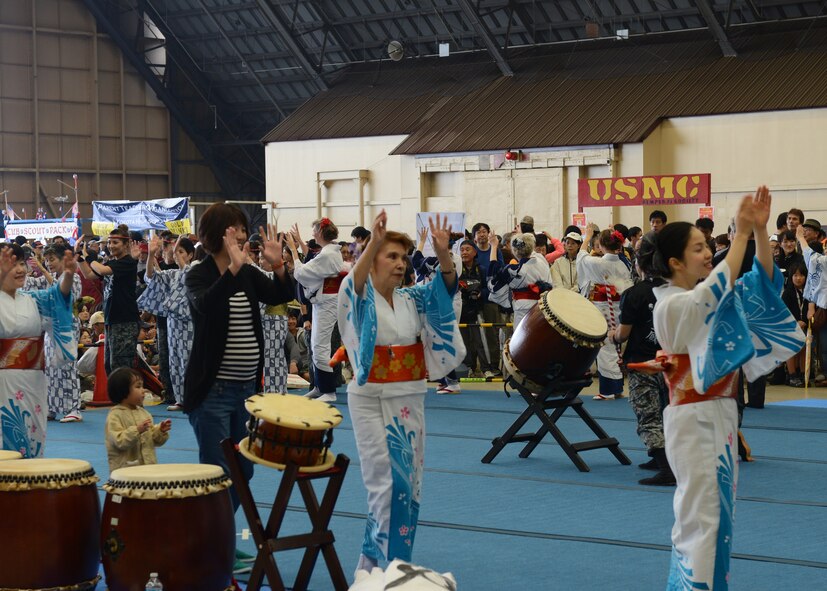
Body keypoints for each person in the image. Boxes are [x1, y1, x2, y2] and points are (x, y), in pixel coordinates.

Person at [634, 187, 803, 590]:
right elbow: (712, 294)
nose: (708, 252)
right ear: (674, 262)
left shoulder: (706, 296)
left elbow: (762, 282)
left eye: (707, 245)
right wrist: (740, 235)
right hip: (695, 417)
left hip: (719, 413)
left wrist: (760, 232)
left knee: (715, 517)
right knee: (702, 516)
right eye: (697, 248)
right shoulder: (670, 304)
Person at [338, 211, 465, 573]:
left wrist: (442, 253)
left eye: (403, 257)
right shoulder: (359, 296)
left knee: (406, 486)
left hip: (409, 398)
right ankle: (396, 565)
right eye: (390, 256)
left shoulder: (413, 298)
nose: (399, 263)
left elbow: (446, 289)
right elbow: (354, 282)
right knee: (384, 483)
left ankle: (367, 565)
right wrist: (373, 241)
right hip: (369, 400)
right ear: (373, 258)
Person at [184, 204, 294, 516]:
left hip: (247, 391)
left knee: (244, 470)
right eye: (235, 229)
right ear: (214, 235)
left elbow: (278, 295)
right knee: (217, 472)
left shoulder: (247, 273)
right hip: (212, 392)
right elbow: (205, 306)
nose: (242, 235)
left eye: (243, 230)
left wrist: (279, 266)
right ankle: (215, 547)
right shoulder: (198, 275)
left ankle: (220, 542)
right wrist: (231, 269)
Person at [0, 243, 78, 457]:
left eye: (21, 263)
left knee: (34, 436)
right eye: (10, 264)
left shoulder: (32, 299)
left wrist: (68, 275)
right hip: (4, 383)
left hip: (34, 381)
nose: (20, 269)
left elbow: (58, 297)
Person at [614, 233, 673, 486]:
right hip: (671, 362)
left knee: (648, 415)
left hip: (642, 364)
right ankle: (660, 456)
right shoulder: (675, 291)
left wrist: (611, 336)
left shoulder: (634, 294)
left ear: (639, 264)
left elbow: (623, 333)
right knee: (667, 412)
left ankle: (666, 467)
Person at [25, 244, 84, 423]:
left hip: (67, 326)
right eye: (47, 260)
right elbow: (32, 285)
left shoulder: (72, 277)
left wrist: (42, 269)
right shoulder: (49, 278)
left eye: (52, 260)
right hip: (50, 326)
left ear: (62, 260)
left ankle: (74, 407)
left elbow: (64, 293)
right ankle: (52, 407)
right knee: (50, 367)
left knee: (67, 366)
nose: (49, 263)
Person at [289, 218, 345, 402]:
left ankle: (329, 391)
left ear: (320, 232)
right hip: (325, 302)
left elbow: (302, 272)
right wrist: (299, 244)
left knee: (320, 347)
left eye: (314, 231)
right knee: (316, 345)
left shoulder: (328, 255)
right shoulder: (329, 252)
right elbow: (313, 261)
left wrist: (293, 253)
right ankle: (320, 387)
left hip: (327, 303)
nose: (312, 234)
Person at [138, 236, 196, 411]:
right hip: (171, 324)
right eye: (176, 251)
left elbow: (189, 277)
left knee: (188, 361)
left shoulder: (196, 270)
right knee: (174, 361)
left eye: (181, 252)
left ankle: (192, 398)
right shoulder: (171, 274)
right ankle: (179, 398)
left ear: (191, 255)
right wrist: (150, 255)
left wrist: (181, 261)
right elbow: (150, 277)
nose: (176, 255)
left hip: (189, 324)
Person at [579, 227, 633, 400]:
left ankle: (608, 389)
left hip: (603, 306)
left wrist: (587, 238)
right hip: (619, 306)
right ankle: (616, 387)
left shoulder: (598, 263)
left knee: (605, 346)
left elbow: (581, 256)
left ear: (601, 245)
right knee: (614, 344)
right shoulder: (624, 262)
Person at [78, 225, 139, 374]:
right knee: (110, 366)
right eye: (110, 242)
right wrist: (79, 256)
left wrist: (89, 256)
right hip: (111, 320)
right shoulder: (113, 263)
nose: (111, 246)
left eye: (115, 242)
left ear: (126, 245)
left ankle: (125, 397)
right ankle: (117, 397)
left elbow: (102, 270)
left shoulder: (128, 262)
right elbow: (89, 274)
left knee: (121, 367)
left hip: (125, 321)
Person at [104, 367, 171, 472]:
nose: (143, 390)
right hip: (125, 473)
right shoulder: (115, 416)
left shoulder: (144, 413)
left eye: (142, 386)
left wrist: (160, 431)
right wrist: (137, 430)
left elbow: (153, 441)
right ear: (123, 391)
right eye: (138, 387)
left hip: (148, 469)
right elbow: (119, 441)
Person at [487, 232, 552, 329]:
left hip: (523, 307)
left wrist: (493, 246)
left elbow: (494, 277)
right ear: (532, 247)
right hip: (543, 306)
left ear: (513, 251)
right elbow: (530, 251)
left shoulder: (514, 271)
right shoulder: (541, 259)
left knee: (522, 338)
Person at [781, 261, 808, 387]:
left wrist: (805, 322)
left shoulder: (809, 292)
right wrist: (796, 322)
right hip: (790, 326)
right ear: (791, 277)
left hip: (806, 326)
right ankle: (792, 375)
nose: (798, 278)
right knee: (791, 348)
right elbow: (784, 312)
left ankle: (803, 374)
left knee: (804, 347)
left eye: (801, 275)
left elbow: (811, 310)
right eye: (795, 275)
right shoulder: (787, 293)